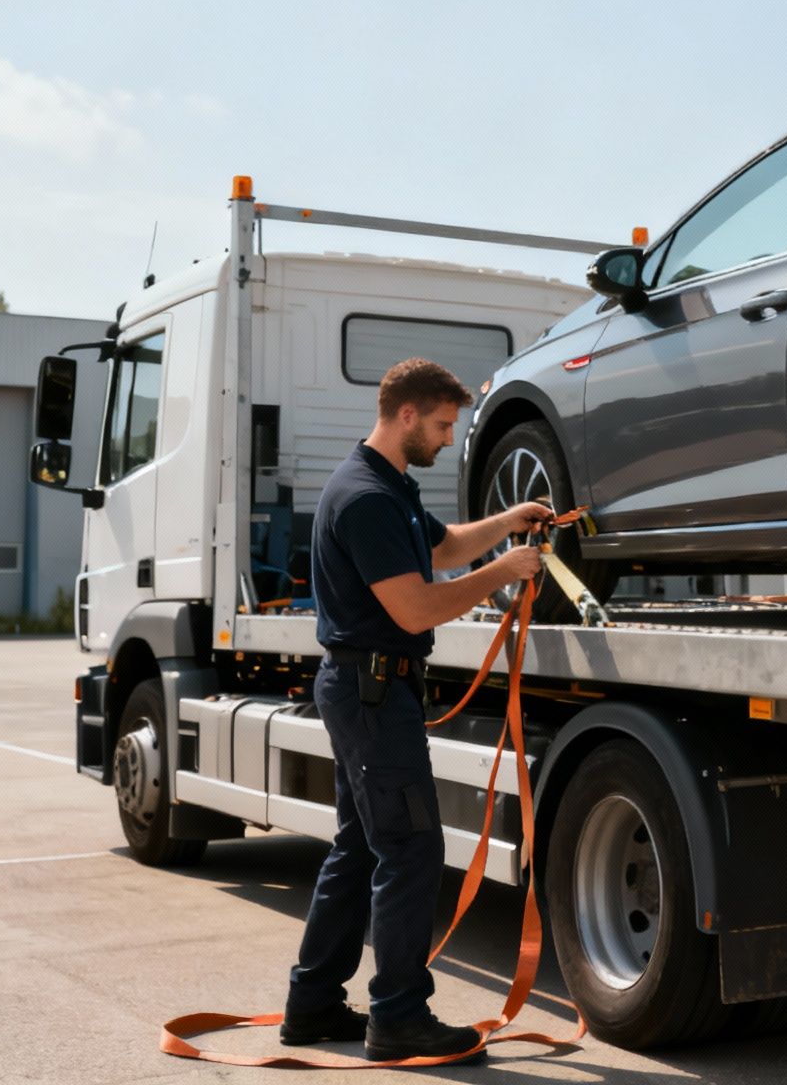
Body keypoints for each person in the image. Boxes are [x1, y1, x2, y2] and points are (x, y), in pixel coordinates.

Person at [280, 357, 551, 1061]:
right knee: (410, 849)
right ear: (406, 415)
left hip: (366, 688)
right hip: (373, 691)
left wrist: (509, 523)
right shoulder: (364, 497)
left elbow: (443, 546)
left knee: (360, 846)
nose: (444, 437)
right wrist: (505, 573)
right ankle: (398, 1018)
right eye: (439, 425)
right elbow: (414, 606)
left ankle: (312, 1005)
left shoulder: (389, 485)